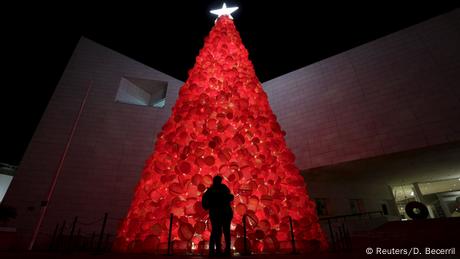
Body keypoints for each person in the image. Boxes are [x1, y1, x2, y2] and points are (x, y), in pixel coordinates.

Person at [202, 175, 234, 256]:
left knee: (216, 231)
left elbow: (205, 202)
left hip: (215, 213)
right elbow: (230, 197)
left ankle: (214, 250)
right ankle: (226, 250)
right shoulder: (224, 188)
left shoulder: (211, 190)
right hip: (225, 212)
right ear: (220, 181)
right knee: (226, 231)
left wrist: (210, 205)